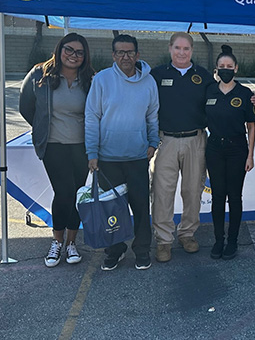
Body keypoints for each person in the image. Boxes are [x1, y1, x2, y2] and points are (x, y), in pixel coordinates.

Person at [150, 33, 255, 262]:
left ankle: (187, 234)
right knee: (162, 193)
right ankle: (164, 240)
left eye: (186, 48)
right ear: (170, 49)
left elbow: (226, 92)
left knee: (192, 191)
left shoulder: (203, 76)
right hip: (166, 140)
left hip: (196, 140)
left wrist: (252, 99)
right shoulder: (157, 74)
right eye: (177, 48)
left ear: (192, 50)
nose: (182, 52)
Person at [19, 33, 94, 267]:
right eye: (69, 50)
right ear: (60, 49)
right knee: (64, 192)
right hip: (53, 146)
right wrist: (41, 128)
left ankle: (72, 243)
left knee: (77, 193)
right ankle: (57, 241)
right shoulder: (39, 74)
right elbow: (25, 107)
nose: (73, 55)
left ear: (85, 56)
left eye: (79, 52)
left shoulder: (90, 79)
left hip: (82, 147)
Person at [85, 34, 159, 271]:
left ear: (137, 55)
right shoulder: (102, 80)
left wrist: (153, 142)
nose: (125, 57)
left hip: (138, 158)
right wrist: (92, 152)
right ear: (113, 55)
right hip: (108, 159)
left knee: (140, 207)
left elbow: (152, 116)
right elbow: (91, 117)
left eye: (129, 52)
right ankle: (115, 250)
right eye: (120, 52)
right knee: (112, 211)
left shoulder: (149, 82)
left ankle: (142, 250)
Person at [205, 45, 255, 260]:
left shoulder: (245, 94)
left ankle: (233, 241)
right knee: (217, 196)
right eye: (221, 66)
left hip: (237, 149)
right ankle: (219, 240)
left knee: (234, 196)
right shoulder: (208, 90)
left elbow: (251, 126)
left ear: (236, 68)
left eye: (229, 66)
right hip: (214, 147)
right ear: (216, 69)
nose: (225, 69)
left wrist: (250, 155)